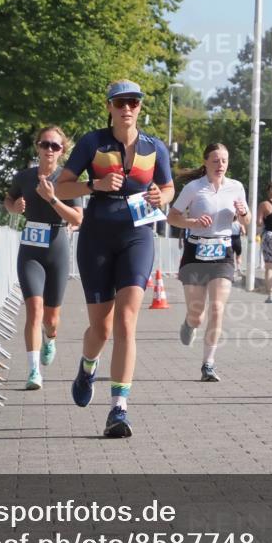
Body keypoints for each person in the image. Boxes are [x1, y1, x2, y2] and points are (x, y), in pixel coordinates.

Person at [56, 80, 174, 438]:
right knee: (101, 329)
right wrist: (95, 186)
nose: (127, 108)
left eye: (134, 102)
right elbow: (62, 186)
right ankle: (87, 367)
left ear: (140, 107)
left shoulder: (155, 147)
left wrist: (160, 195)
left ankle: (119, 409)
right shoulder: (93, 143)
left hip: (138, 237)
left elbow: (168, 189)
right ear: (108, 106)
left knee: (126, 321)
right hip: (97, 239)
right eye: (120, 102)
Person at [4, 126, 83, 390]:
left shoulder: (68, 181)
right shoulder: (24, 176)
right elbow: (8, 200)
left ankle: (50, 339)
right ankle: (34, 371)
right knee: (34, 311)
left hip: (57, 248)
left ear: (63, 150)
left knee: (51, 320)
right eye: (45, 144)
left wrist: (52, 200)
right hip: (30, 250)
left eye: (55, 146)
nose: (49, 150)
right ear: (37, 147)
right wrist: (13, 207)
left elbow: (78, 219)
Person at [167, 143, 250, 382]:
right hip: (196, 251)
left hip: (223, 251)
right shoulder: (194, 188)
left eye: (224, 160)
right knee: (197, 315)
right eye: (215, 160)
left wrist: (243, 213)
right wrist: (192, 222)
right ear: (205, 163)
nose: (220, 165)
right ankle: (189, 324)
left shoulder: (236, 187)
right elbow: (173, 217)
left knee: (217, 308)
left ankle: (208, 364)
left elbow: (247, 222)